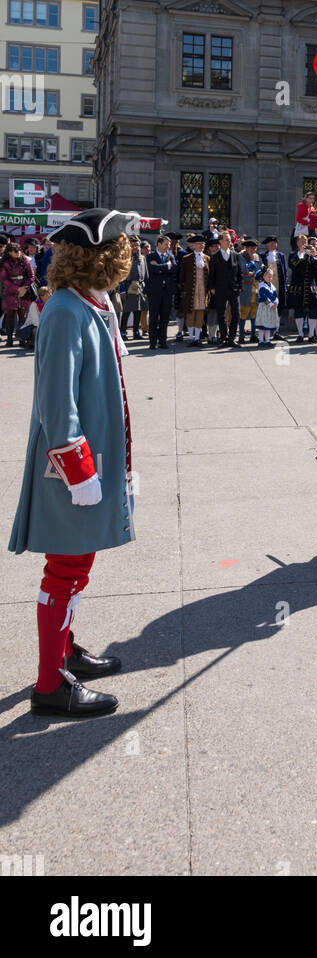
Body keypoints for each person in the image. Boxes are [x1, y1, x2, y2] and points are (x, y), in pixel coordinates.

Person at [8, 208, 139, 718]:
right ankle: (49, 685)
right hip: (70, 467)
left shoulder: (90, 303)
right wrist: (79, 469)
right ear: (103, 257)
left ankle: (63, 653)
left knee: (76, 565)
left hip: (91, 459)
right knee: (64, 569)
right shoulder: (66, 310)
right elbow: (56, 404)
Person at [208, 229, 242, 347]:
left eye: (230, 240)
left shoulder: (235, 255)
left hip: (233, 289)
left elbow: (239, 273)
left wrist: (240, 286)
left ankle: (231, 338)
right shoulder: (215, 256)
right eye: (227, 240)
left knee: (236, 314)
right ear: (220, 241)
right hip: (220, 289)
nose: (229, 241)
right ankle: (223, 338)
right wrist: (212, 287)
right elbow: (211, 274)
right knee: (220, 314)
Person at [1, 239, 36, 347]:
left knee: (23, 316)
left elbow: (32, 276)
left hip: (24, 291)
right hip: (10, 292)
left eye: (19, 250)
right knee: (10, 316)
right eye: (15, 251)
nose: (18, 252)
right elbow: (4, 279)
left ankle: (21, 339)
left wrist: (24, 288)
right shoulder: (4, 263)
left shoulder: (25, 261)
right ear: (9, 252)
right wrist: (17, 289)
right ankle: (9, 339)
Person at [145, 235, 177, 350]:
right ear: (158, 244)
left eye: (169, 244)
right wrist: (166, 267)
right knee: (154, 317)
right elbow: (151, 270)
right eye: (166, 244)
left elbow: (174, 269)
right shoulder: (150, 256)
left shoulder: (171, 256)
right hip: (154, 291)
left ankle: (163, 341)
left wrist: (159, 267)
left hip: (167, 291)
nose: (168, 246)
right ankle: (153, 342)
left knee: (165, 318)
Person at [179, 231, 209, 344]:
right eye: (199, 243)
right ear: (194, 245)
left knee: (200, 314)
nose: (202, 245)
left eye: (203, 244)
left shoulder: (207, 258)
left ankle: (197, 338)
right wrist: (183, 289)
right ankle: (191, 338)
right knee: (190, 314)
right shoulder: (187, 258)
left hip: (203, 291)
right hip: (191, 290)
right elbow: (182, 276)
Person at [260, 237, 288, 337]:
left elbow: (285, 271)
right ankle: (265, 332)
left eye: (274, 243)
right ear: (267, 244)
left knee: (278, 308)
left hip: (279, 286)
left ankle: (276, 331)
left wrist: (285, 284)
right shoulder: (262, 255)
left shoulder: (281, 255)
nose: (273, 244)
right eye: (271, 243)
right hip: (267, 287)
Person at [18, 283, 51, 350]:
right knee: (36, 330)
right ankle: (33, 342)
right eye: (49, 293)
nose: (51, 295)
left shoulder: (50, 304)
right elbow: (35, 322)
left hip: (45, 325)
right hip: (33, 326)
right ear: (42, 295)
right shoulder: (35, 304)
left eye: (51, 293)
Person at [254, 265, 279, 346]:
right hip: (264, 307)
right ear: (264, 276)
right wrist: (271, 304)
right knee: (262, 326)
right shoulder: (262, 286)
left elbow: (275, 295)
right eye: (268, 277)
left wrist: (276, 303)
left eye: (271, 277)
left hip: (272, 308)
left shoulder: (272, 286)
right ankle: (261, 341)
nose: (270, 278)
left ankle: (267, 340)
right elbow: (264, 297)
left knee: (268, 324)